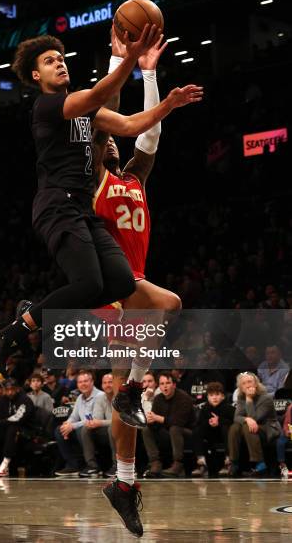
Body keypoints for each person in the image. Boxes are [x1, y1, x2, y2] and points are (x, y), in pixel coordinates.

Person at [0, 27, 203, 381]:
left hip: (82, 211)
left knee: (119, 283)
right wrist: (131, 57)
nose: (60, 64)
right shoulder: (49, 106)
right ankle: (5, 336)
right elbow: (101, 92)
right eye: (50, 61)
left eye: (62, 59)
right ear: (36, 75)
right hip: (57, 206)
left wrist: (168, 105)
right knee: (87, 286)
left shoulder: (85, 112)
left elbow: (129, 125)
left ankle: (36, 311)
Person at [94, 34, 200, 535]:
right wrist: (120, 60)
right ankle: (135, 385)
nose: (116, 138)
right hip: (113, 287)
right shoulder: (92, 176)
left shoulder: (133, 177)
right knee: (173, 303)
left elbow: (149, 139)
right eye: (106, 135)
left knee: (124, 407)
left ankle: (125, 481)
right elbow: (106, 111)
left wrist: (151, 74)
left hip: (132, 287)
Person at [0, 378, 35, 478]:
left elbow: (17, 418)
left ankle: (5, 465)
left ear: (17, 389)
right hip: (6, 433)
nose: (10, 392)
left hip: (25, 433)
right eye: (7, 390)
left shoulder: (25, 400)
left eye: (12, 389)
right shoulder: (1, 401)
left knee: (12, 427)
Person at [228, 372, 281, 477]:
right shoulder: (241, 397)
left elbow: (256, 419)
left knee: (247, 426)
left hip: (268, 429)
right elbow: (236, 417)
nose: (247, 385)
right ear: (240, 387)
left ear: (256, 383)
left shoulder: (266, 398)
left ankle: (260, 464)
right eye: (244, 383)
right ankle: (234, 462)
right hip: (249, 428)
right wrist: (246, 418)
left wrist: (249, 400)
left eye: (250, 382)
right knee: (235, 427)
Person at [54, 370, 103, 477]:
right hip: (83, 429)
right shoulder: (80, 398)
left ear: (92, 382)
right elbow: (74, 416)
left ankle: (93, 465)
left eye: (86, 381)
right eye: (80, 382)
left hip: (98, 430)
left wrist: (72, 426)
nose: (83, 384)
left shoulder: (100, 396)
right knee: (59, 429)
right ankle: (73, 465)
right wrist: (67, 424)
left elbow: (93, 419)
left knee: (83, 429)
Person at [191, 381, 235, 477]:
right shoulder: (205, 409)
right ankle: (201, 462)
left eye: (217, 394)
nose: (214, 397)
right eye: (211, 395)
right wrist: (209, 422)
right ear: (207, 397)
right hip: (210, 435)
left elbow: (233, 423)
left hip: (224, 435)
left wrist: (219, 422)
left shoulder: (229, 408)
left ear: (223, 396)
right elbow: (198, 423)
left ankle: (228, 462)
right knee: (197, 430)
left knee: (226, 428)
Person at [79, 372, 116, 477]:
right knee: (86, 428)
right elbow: (97, 418)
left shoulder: (122, 397)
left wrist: (99, 422)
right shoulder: (100, 397)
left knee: (112, 427)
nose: (107, 385)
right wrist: (92, 423)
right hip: (108, 429)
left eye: (110, 382)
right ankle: (92, 466)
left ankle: (118, 465)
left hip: (126, 429)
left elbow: (121, 421)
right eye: (105, 383)